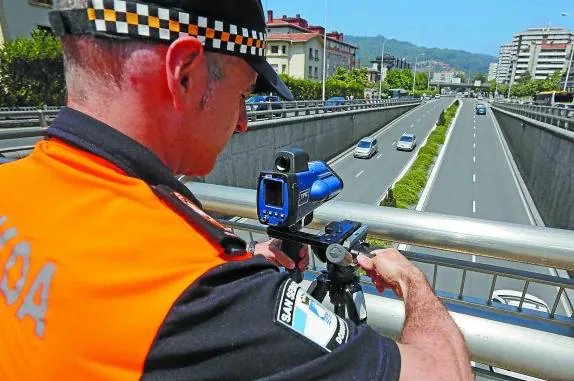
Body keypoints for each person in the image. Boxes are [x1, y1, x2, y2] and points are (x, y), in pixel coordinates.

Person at [0, 0, 472, 380]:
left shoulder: (13, 187)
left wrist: (238, 281)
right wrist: (413, 284)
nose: (244, 123)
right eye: (244, 94)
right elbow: (445, 372)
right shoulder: (195, 295)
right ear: (185, 72)